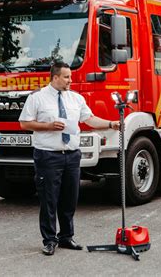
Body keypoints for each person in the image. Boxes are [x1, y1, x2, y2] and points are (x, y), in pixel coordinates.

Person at [19, 61, 120, 256]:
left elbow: (89, 119)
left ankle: (66, 237)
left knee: (70, 198)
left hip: (72, 156)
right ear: (55, 77)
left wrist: (111, 123)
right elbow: (24, 123)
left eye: (70, 77)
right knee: (49, 200)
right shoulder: (37, 98)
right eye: (66, 77)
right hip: (48, 156)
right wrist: (48, 126)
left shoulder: (76, 98)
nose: (70, 81)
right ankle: (49, 240)